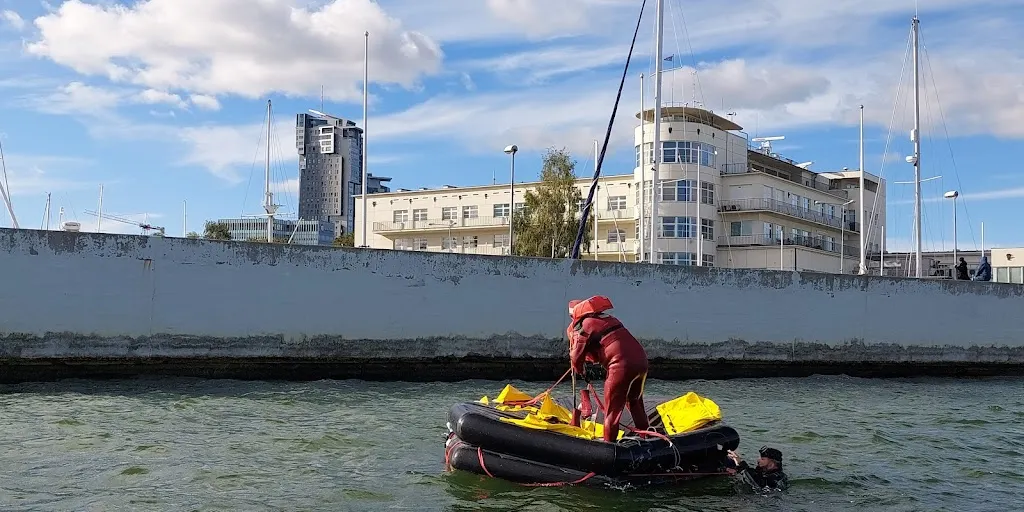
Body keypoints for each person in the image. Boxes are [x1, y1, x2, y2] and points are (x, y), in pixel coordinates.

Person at [566, 295, 650, 442]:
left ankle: (609, 446)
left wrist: (580, 369)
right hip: (641, 362)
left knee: (612, 411)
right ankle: (647, 438)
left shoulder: (584, 325)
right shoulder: (609, 319)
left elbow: (576, 356)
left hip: (620, 365)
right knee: (635, 401)